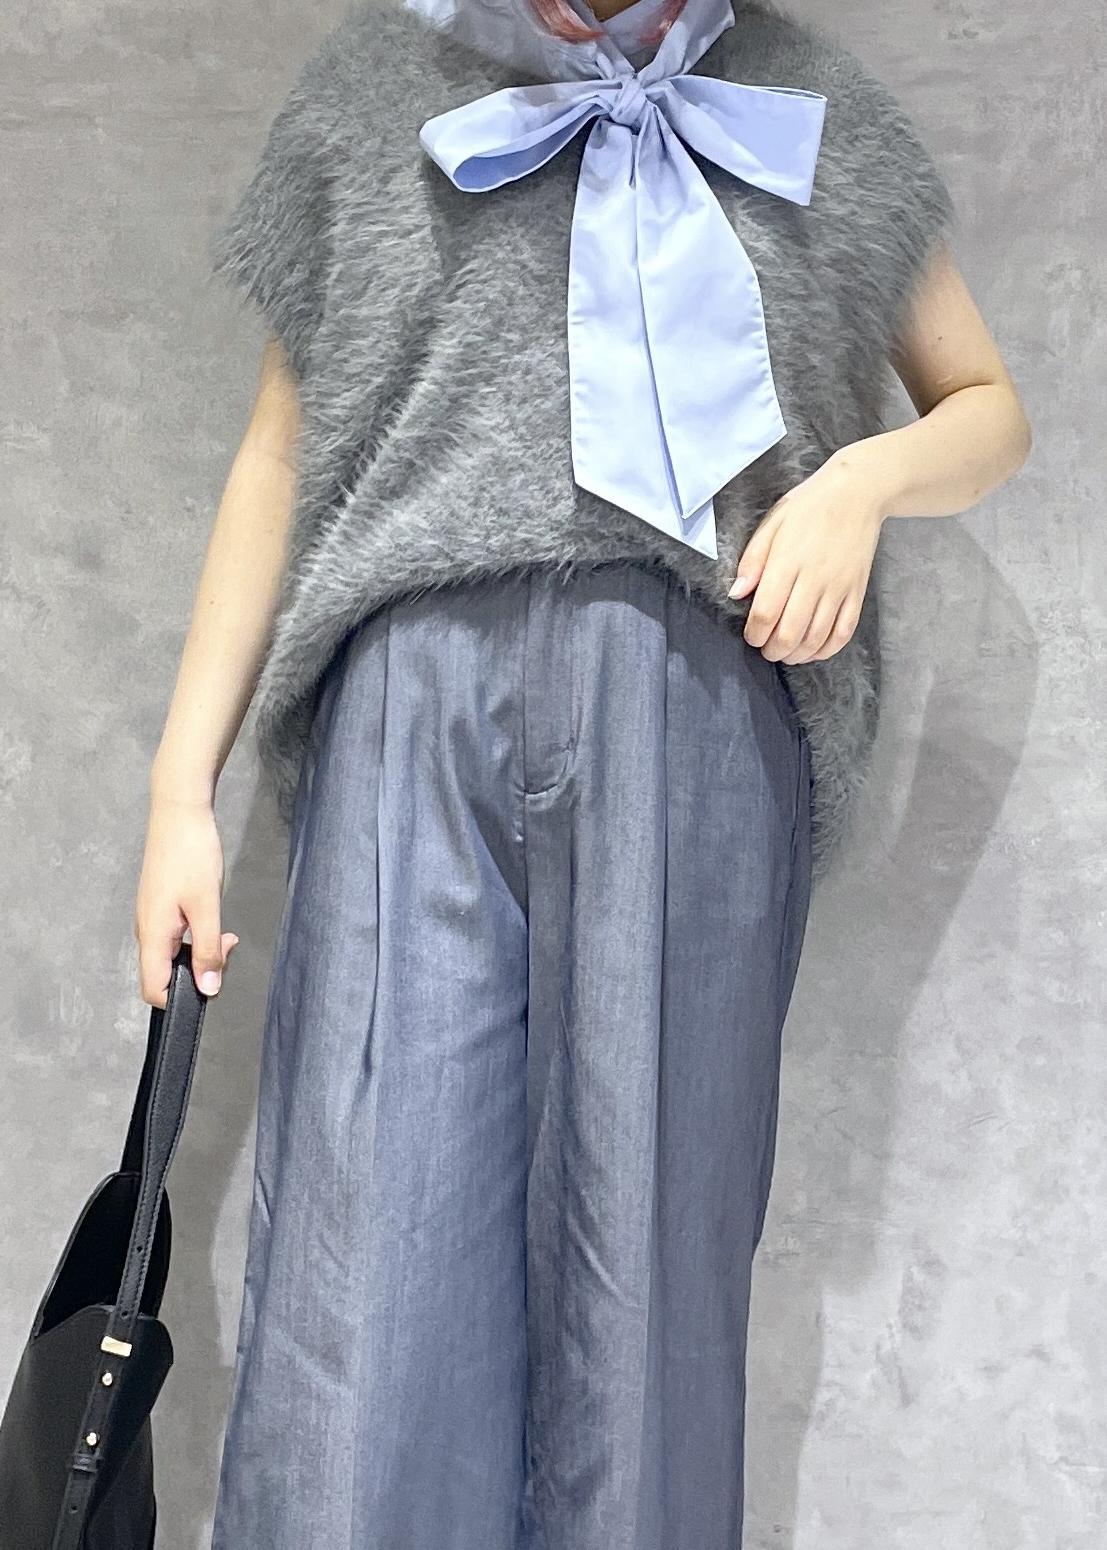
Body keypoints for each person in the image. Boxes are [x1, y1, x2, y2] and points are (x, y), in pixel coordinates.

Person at [134, 0, 1030, 1544]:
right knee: (369, 1279)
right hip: (408, 724)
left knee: (650, 1295)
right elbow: (280, 452)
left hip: (698, 727)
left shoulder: (809, 105)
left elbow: (988, 408)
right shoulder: (379, 92)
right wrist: (177, 792)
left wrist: (860, 483)